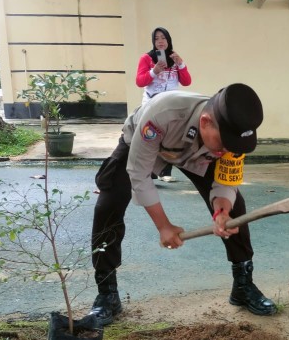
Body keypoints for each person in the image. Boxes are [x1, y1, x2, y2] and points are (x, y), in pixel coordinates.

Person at [89, 83, 277, 324]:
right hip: (146, 143)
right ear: (206, 121)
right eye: (224, 143)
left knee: (236, 208)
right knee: (108, 204)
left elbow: (226, 181)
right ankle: (107, 294)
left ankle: (242, 285)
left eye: (232, 146)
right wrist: (163, 226)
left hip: (197, 155)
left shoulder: (233, 136)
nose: (228, 151)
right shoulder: (162, 115)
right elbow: (139, 174)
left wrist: (223, 211)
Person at [136, 27, 192, 182]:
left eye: (163, 38)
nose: (160, 41)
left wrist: (180, 64)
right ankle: (147, 170)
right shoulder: (147, 58)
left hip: (170, 104)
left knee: (170, 137)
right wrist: (154, 71)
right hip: (152, 102)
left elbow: (186, 82)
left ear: (168, 40)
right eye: (156, 39)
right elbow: (140, 82)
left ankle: (164, 171)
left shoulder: (175, 58)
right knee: (149, 136)